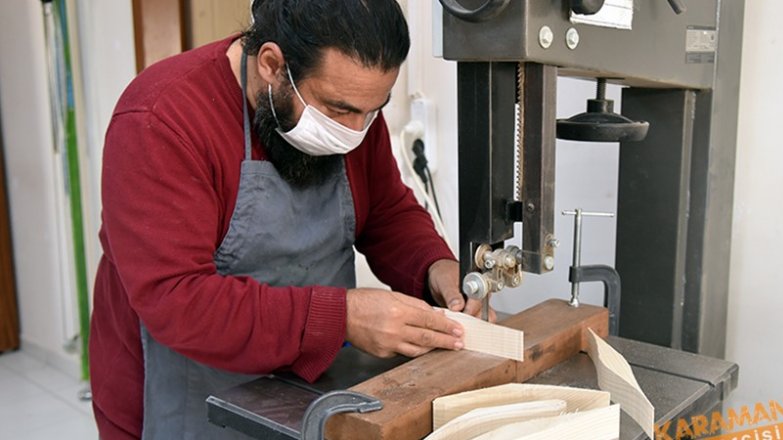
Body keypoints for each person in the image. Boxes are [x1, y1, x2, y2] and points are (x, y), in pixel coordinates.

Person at [89, 1, 489, 438]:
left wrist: (436, 267)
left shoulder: (353, 107)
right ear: (272, 64)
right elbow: (178, 301)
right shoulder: (161, 120)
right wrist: (343, 318)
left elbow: (386, 211)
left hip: (306, 390)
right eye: (338, 111)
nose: (355, 131)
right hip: (185, 397)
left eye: (372, 110)